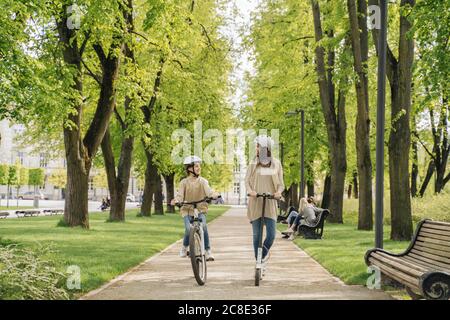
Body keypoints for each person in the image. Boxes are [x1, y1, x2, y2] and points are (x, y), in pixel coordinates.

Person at [245, 135, 284, 271]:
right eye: (256, 146)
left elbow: (281, 184)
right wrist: (251, 192)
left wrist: (278, 193)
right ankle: (259, 263)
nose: (256, 149)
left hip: (270, 202)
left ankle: (263, 255)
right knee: (256, 236)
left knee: (271, 235)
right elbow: (247, 182)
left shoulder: (276, 164)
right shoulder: (252, 164)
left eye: (258, 146)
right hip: (256, 202)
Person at [170, 155, 219, 261]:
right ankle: (184, 247)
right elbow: (180, 196)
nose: (199, 168)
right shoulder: (184, 183)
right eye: (196, 166)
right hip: (187, 210)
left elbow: (209, 192)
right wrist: (176, 201)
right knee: (188, 229)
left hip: (200, 208)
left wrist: (214, 194)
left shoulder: (203, 181)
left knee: (204, 226)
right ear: (189, 169)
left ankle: (207, 251)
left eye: (199, 166)